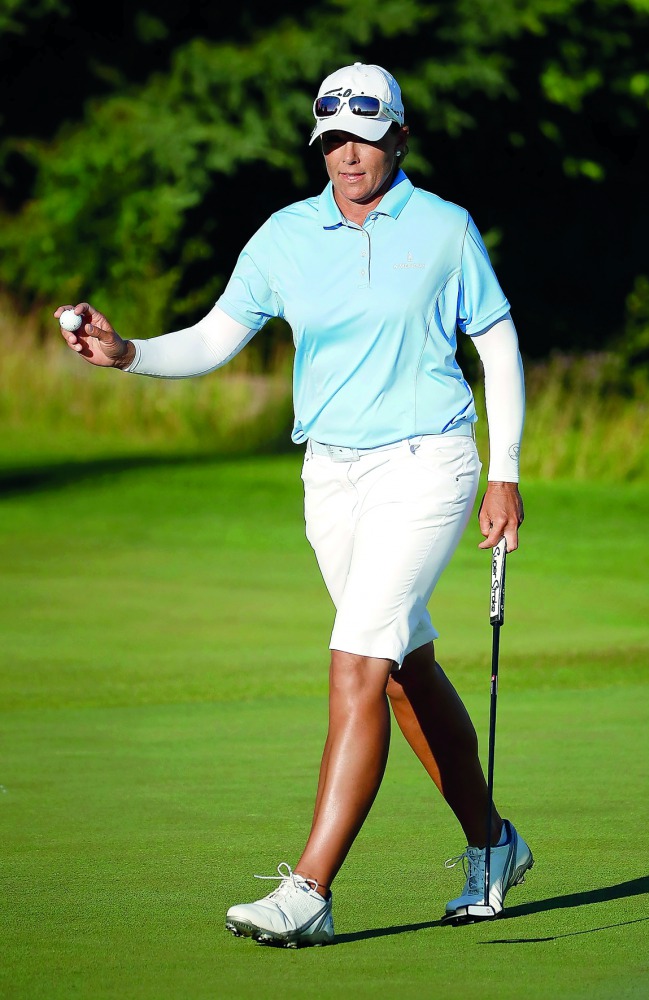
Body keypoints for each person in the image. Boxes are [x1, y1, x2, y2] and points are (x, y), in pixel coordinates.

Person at [56, 62, 533, 948]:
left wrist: (501, 473)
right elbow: (210, 340)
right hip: (331, 475)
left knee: (356, 656)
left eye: (363, 135)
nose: (345, 153)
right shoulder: (284, 235)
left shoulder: (442, 229)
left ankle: (308, 890)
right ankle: (492, 844)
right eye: (331, 138)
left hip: (428, 463)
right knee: (401, 668)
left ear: (397, 137)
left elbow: (497, 348)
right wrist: (125, 352)